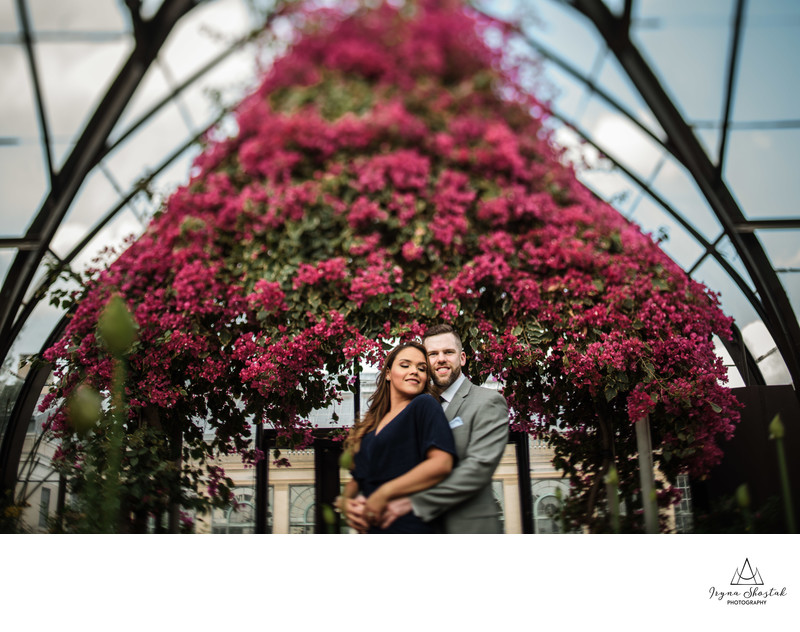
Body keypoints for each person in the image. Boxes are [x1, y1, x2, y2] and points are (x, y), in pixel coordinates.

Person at [346, 324, 509, 533]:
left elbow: (477, 469)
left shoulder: (488, 401)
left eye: (448, 352)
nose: (440, 359)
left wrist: (409, 501)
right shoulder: (415, 408)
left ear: (462, 358)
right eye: (432, 354)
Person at [336, 341, 457, 533]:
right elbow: (357, 479)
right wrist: (345, 503)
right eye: (405, 365)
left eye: (421, 368)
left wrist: (385, 492)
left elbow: (441, 464)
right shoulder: (371, 424)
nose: (414, 371)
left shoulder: (424, 406)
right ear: (388, 374)